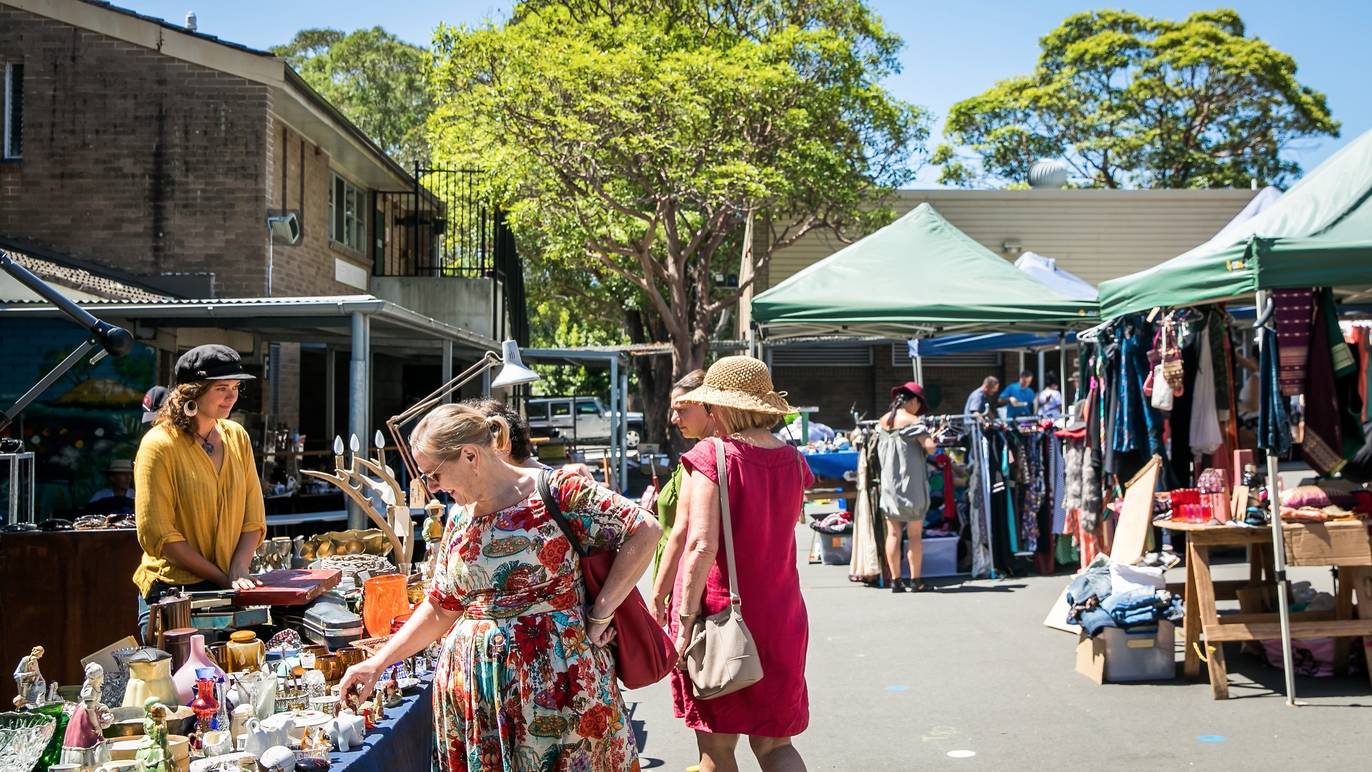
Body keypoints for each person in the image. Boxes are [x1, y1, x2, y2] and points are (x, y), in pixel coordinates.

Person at [337, 403, 661, 771]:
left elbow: (645, 529)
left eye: (434, 474)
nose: (432, 487)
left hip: (558, 686)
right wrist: (378, 663)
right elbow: (442, 606)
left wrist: (601, 612)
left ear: (471, 455)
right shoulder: (459, 517)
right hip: (478, 698)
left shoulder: (558, 491)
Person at [670, 356, 813, 772]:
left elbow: (699, 544)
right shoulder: (792, 458)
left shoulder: (713, 456)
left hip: (721, 619)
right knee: (774, 746)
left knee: (716, 751)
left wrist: (682, 622)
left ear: (725, 407)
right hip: (782, 617)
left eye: (711, 405)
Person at [133, 345, 266, 636]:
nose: (232, 396)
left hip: (229, 589)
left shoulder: (237, 437)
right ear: (192, 392)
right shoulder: (159, 445)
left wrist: (240, 569)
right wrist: (224, 577)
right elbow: (160, 536)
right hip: (173, 593)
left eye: (235, 386)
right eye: (221, 388)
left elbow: (253, 519)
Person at [648, 369, 712, 625]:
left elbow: (682, 529)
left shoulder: (701, 458)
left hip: (686, 580)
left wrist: (657, 595)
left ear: (708, 406)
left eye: (682, 409)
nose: (675, 418)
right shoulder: (702, 452)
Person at [877, 382, 937, 593]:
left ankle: (896, 581)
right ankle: (916, 580)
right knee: (914, 535)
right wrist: (931, 442)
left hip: (889, 486)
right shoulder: (913, 421)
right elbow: (930, 448)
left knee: (893, 534)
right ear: (913, 401)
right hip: (911, 486)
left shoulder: (883, 421)